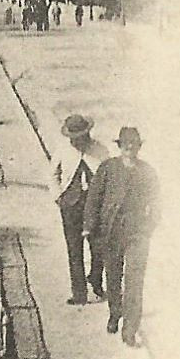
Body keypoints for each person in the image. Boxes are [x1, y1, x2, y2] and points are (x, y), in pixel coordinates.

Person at [84, 127, 159, 344]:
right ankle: (115, 312)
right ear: (119, 146)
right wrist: (90, 226)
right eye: (125, 143)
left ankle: (130, 330)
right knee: (113, 278)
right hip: (111, 231)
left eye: (134, 143)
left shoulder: (148, 172)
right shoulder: (108, 168)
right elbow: (94, 198)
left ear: (139, 146)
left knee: (135, 281)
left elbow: (157, 204)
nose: (130, 147)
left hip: (137, 234)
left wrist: (149, 228)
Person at [52, 114, 110, 304]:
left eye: (81, 136)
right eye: (73, 138)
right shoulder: (62, 150)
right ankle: (79, 294)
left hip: (95, 205)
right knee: (74, 249)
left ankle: (96, 279)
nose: (77, 141)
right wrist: (59, 197)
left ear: (88, 133)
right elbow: (53, 175)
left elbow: (109, 176)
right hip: (71, 204)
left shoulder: (100, 150)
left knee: (98, 246)